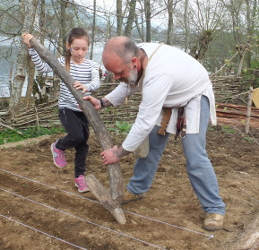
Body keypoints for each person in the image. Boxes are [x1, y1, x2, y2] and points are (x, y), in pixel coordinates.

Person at [83, 36, 226, 231]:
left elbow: (144, 121)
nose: (116, 77)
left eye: (118, 72)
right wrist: (103, 101)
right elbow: (127, 83)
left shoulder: (159, 74)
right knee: (150, 148)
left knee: (195, 155)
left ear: (134, 62)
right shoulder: (137, 56)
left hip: (193, 96)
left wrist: (118, 153)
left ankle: (215, 208)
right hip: (169, 97)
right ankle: (136, 190)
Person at [22, 28, 100, 193]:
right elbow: (43, 68)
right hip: (67, 108)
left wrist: (87, 87)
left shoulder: (92, 65)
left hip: (84, 110)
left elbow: (96, 82)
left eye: (84, 49)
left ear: (88, 48)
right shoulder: (62, 63)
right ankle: (58, 146)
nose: (79, 52)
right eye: (76, 48)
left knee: (83, 144)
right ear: (68, 46)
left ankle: (80, 178)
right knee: (76, 136)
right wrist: (31, 48)